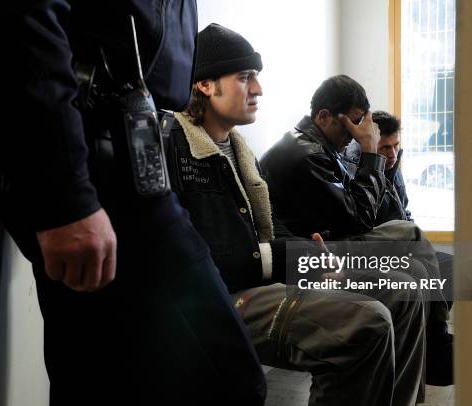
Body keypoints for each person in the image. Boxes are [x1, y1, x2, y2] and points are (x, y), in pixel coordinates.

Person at [0, 1, 266, 404]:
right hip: (95, 159)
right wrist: (67, 197)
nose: (257, 89)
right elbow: (15, 15)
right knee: (225, 380)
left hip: (121, 153)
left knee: (104, 379)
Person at [167, 23, 427, 406]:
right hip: (224, 297)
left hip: (266, 274)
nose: (258, 89)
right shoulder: (177, 148)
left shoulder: (239, 153)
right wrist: (302, 258)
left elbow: (267, 232)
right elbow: (219, 258)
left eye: (255, 77)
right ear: (205, 85)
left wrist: (309, 254)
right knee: (366, 323)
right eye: (244, 77)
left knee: (404, 291)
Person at [260, 77, 452, 386]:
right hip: (314, 254)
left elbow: (358, 213)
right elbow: (358, 219)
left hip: (327, 242)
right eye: (350, 124)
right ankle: (437, 343)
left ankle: (424, 357)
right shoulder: (306, 153)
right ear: (323, 117)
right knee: (411, 234)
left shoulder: (314, 146)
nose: (353, 135)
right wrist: (369, 152)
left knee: (417, 264)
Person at [342, 111, 454, 385]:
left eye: (395, 146)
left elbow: (404, 213)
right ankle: (432, 344)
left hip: (403, 246)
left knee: (451, 267)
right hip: (374, 254)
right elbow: (362, 228)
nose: (392, 153)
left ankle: (426, 340)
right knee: (417, 269)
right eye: (384, 148)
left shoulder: (394, 169)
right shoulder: (357, 173)